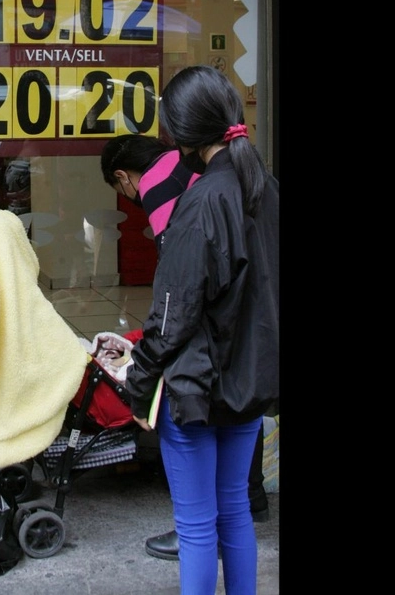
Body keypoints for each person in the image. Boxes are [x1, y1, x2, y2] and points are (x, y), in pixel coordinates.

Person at [123, 65, 278, 595]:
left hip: (195, 388)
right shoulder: (266, 188)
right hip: (248, 383)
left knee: (195, 527)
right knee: (234, 509)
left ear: (181, 134)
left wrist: (136, 382)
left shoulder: (201, 202)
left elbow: (173, 313)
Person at [100, 134, 270, 563]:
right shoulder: (238, 175)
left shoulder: (159, 188)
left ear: (122, 177)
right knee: (237, 513)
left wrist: (142, 371)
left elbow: (177, 297)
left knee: (197, 530)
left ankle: (196, 527)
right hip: (247, 352)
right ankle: (253, 499)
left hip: (202, 368)